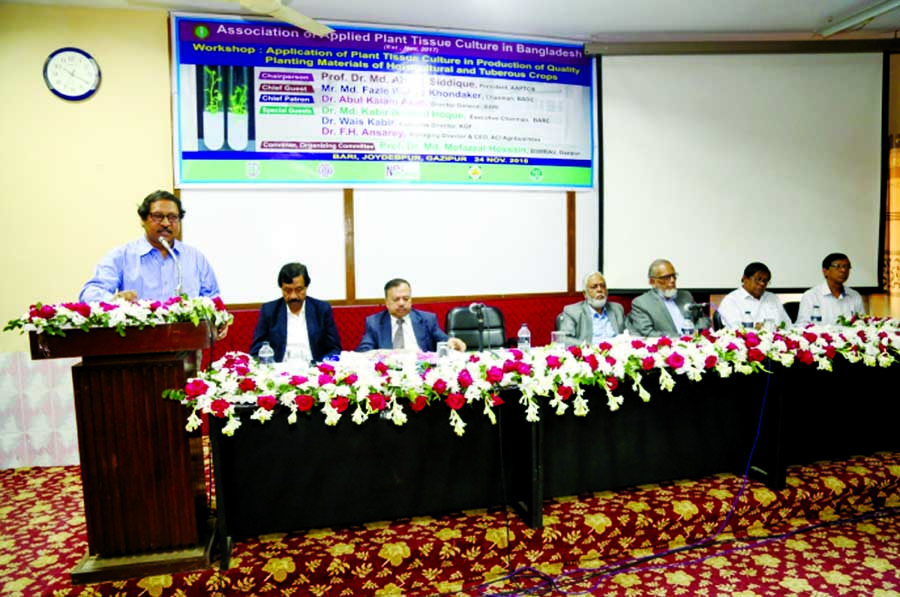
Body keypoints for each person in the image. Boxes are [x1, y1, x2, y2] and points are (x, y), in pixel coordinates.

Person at [79, 190, 221, 303]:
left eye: (173, 217)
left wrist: (218, 320)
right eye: (158, 216)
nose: (166, 223)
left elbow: (213, 298)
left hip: (186, 337)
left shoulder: (194, 257)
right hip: (139, 338)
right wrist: (114, 301)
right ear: (143, 220)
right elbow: (89, 293)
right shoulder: (122, 256)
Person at [249, 263, 342, 363]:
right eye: (288, 290)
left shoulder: (321, 309)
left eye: (298, 290)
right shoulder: (269, 311)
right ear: (281, 288)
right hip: (279, 371)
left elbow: (334, 349)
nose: (293, 296)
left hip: (314, 370)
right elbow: (256, 351)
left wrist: (323, 366)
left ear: (306, 287)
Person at [357, 278, 466, 352]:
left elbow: (443, 340)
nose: (401, 303)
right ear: (386, 302)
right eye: (396, 299)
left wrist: (452, 342)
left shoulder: (427, 319)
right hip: (389, 373)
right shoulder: (374, 322)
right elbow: (364, 350)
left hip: (421, 371)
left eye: (406, 299)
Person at [626, 259, 710, 337]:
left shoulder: (686, 295)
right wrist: (680, 339)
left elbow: (702, 318)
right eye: (666, 278)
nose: (672, 280)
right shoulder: (642, 303)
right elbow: (648, 333)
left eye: (674, 276)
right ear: (652, 281)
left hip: (695, 343)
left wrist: (696, 333)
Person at [556, 271, 625, 345]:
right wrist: (591, 348)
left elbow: (627, 335)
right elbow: (563, 339)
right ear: (585, 294)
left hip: (617, 353)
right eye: (594, 287)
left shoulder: (617, 309)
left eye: (603, 286)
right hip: (590, 353)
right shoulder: (572, 312)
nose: (599, 290)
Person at [717, 262, 792, 329]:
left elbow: (788, 326)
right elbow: (737, 331)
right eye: (758, 279)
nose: (762, 284)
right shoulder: (731, 300)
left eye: (765, 281)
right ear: (745, 278)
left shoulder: (772, 298)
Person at [796, 252, 864, 325]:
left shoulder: (855, 296)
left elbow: (861, 324)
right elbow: (803, 326)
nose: (843, 270)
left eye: (847, 267)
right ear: (825, 271)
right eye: (838, 266)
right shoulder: (811, 296)